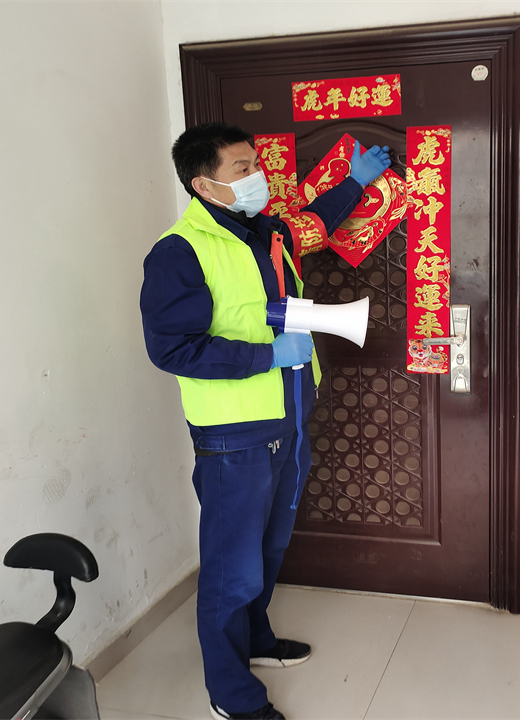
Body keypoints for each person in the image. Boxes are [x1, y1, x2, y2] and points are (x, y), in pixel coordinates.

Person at [140, 122, 390, 720]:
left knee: (269, 546)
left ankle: (254, 639)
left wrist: (356, 183)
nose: (258, 175)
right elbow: (172, 349)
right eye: (242, 168)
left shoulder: (267, 231)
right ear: (203, 185)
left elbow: (315, 223)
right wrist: (265, 355)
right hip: (235, 435)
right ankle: (232, 695)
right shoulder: (179, 251)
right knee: (232, 567)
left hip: (289, 418)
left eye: (256, 163)